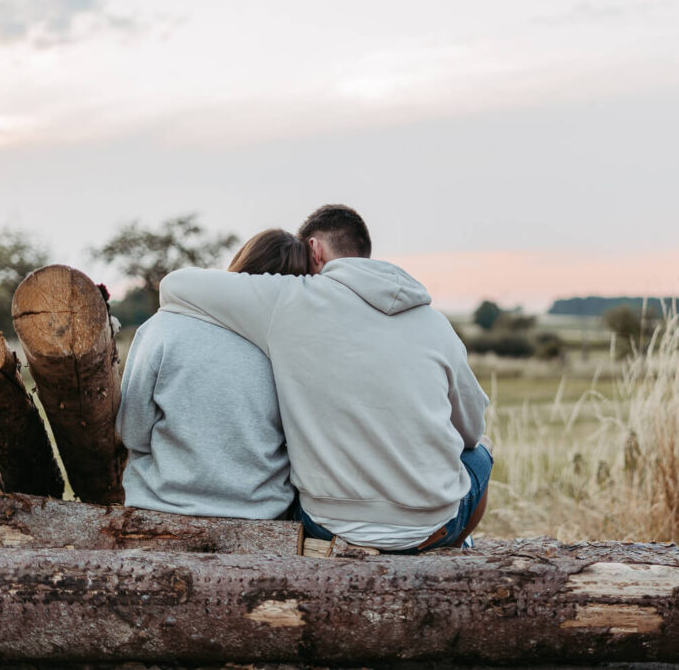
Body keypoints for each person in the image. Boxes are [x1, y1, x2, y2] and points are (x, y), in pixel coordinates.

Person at [159, 204, 492, 551]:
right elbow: (470, 430)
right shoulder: (435, 323)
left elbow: (175, 284)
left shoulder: (291, 302)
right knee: (483, 451)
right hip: (430, 526)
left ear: (315, 249)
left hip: (327, 526)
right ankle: (454, 545)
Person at [116, 229, 308, 519]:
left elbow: (132, 431)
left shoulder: (162, 327)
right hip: (260, 511)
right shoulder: (293, 347)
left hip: (162, 502)